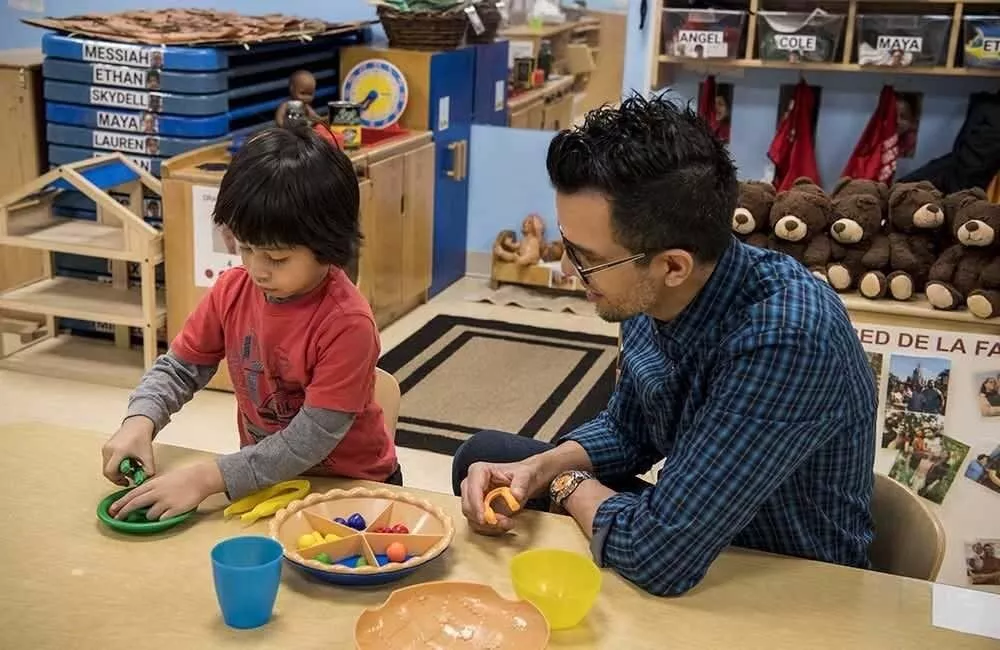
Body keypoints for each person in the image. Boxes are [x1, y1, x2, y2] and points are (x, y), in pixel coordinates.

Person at [452, 96, 877, 597]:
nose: (569, 272)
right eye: (568, 247)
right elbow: (628, 429)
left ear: (673, 265)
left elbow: (659, 556)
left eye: (586, 259)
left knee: (608, 528)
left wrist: (566, 486)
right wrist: (537, 470)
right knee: (485, 459)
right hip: (700, 516)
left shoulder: (788, 337)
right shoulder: (651, 292)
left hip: (782, 572)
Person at [101, 127, 399, 521]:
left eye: (277, 258)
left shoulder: (347, 323)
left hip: (352, 492)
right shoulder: (232, 291)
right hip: (267, 481)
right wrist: (140, 419)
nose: (257, 269)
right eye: (246, 248)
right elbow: (180, 368)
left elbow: (308, 440)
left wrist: (209, 476)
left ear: (330, 248)